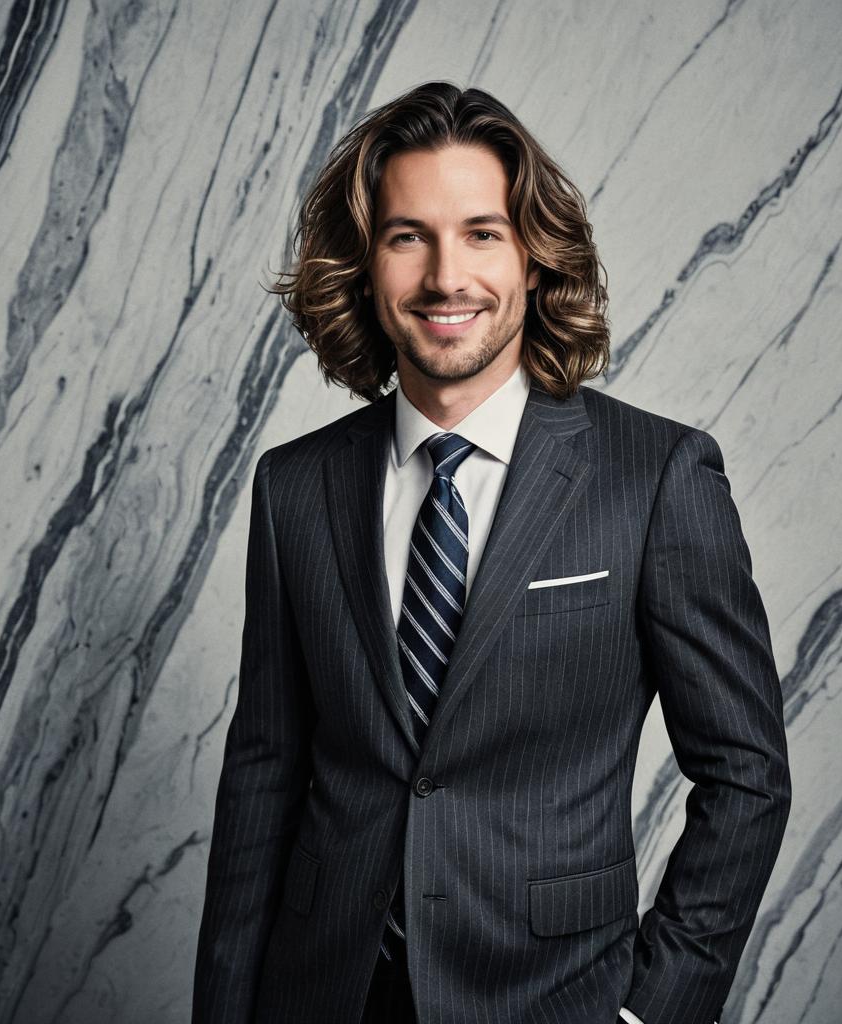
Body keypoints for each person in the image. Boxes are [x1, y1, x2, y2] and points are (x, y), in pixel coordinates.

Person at [192, 81, 791, 1024]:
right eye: (408, 236)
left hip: (553, 998)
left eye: (481, 233)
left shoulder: (656, 476)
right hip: (318, 992)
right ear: (365, 264)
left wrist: (654, 1009)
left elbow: (747, 772)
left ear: (534, 258)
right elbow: (264, 773)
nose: (446, 277)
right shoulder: (293, 488)